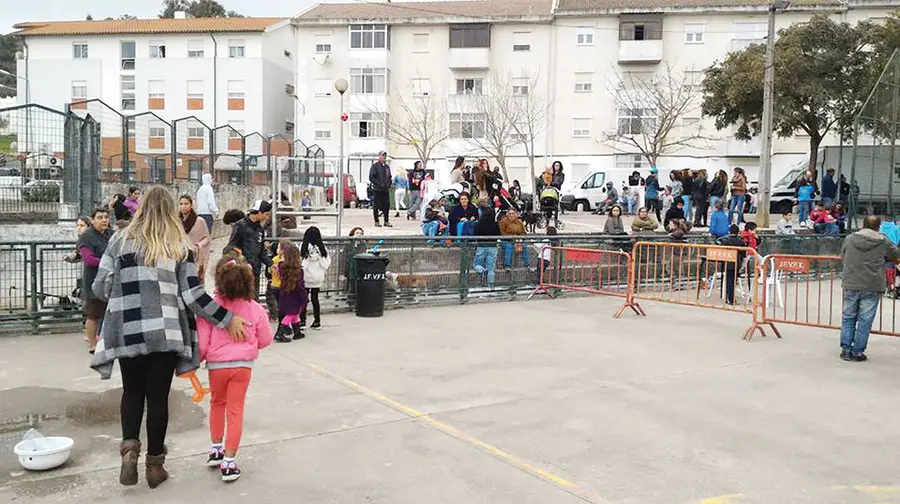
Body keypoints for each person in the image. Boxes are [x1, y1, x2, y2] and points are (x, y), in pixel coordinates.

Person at [90, 186, 247, 489]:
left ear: (142, 208)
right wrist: (227, 319)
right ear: (171, 210)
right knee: (158, 399)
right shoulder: (179, 245)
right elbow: (193, 296)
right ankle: (154, 466)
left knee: (132, 393)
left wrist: (125, 292)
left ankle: (129, 450)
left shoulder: (118, 240)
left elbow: (100, 287)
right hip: (165, 334)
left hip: (127, 332)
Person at [198, 254, 274, 482]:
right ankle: (229, 462)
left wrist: (197, 359)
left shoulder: (211, 308)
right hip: (242, 367)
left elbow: (202, 341)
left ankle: (215, 449)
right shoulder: (255, 309)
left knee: (216, 404)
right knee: (235, 410)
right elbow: (266, 339)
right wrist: (251, 345)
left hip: (216, 366)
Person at [840, 216, 900, 361]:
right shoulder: (883, 240)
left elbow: (843, 255)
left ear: (863, 225)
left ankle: (846, 349)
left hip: (851, 282)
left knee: (848, 317)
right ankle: (858, 352)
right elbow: (896, 254)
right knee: (865, 320)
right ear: (878, 227)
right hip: (872, 285)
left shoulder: (850, 239)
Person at [78, 207, 113, 354]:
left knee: (110, 313)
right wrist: (108, 262)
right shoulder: (86, 236)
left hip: (111, 280)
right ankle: (92, 345)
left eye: (106, 217)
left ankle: (109, 342)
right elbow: (89, 259)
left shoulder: (112, 234)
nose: (104, 220)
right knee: (93, 314)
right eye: (100, 217)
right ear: (92, 220)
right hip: (94, 281)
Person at [225, 200, 273, 299]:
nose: (267, 217)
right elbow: (230, 247)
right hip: (242, 272)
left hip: (255, 271)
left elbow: (261, 251)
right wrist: (243, 261)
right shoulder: (240, 226)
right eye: (266, 214)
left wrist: (271, 264)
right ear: (259, 213)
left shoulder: (260, 229)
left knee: (254, 300)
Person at [272, 241, 308, 342]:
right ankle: (279, 333)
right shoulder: (298, 271)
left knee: (294, 314)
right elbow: (300, 286)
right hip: (295, 296)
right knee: (291, 315)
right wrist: (304, 298)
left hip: (284, 293)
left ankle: (297, 332)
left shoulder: (281, 266)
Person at [300, 226, 331, 330]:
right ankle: (317, 321)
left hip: (306, 276)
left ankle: (302, 321)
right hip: (317, 277)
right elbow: (326, 263)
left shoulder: (303, 247)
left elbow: (301, 262)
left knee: (304, 299)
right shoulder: (322, 248)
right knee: (315, 299)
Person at [179, 195, 211, 282]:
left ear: (191, 205)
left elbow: (207, 238)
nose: (183, 206)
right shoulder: (176, 221)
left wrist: (199, 245)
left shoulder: (199, 221)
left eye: (186, 204)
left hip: (194, 255)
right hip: (179, 255)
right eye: (181, 204)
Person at [716, 224, 747, 305]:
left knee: (728, 280)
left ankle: (727, 297)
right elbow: (744, 255)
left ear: (729, 232)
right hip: (737, 263)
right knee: (733, 281)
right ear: (738, 232)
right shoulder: (741, 242)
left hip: (727, 262)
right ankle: (731, 299)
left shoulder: (725, 241)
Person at [473, 205, 500, 288]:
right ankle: (490, 287)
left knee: (476, 264)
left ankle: (482, 270)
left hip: (481, 246)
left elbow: (475, 234)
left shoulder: (478, 224)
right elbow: (498, 234)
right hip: (493, 247)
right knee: (491, 269)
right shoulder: (495, 224)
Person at [369, 151, 392, 227]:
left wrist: (389, 184)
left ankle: (386, 221)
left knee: (386, 205)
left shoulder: (387, 167)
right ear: (379, 156)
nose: (384, 157)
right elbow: (371, 177)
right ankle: (376, 221)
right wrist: (379, 184)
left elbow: (389, 177)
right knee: (376, 206)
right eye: (382, 155)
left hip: (385, 190)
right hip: (377, 189)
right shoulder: (375, 166)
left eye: (385, 155)